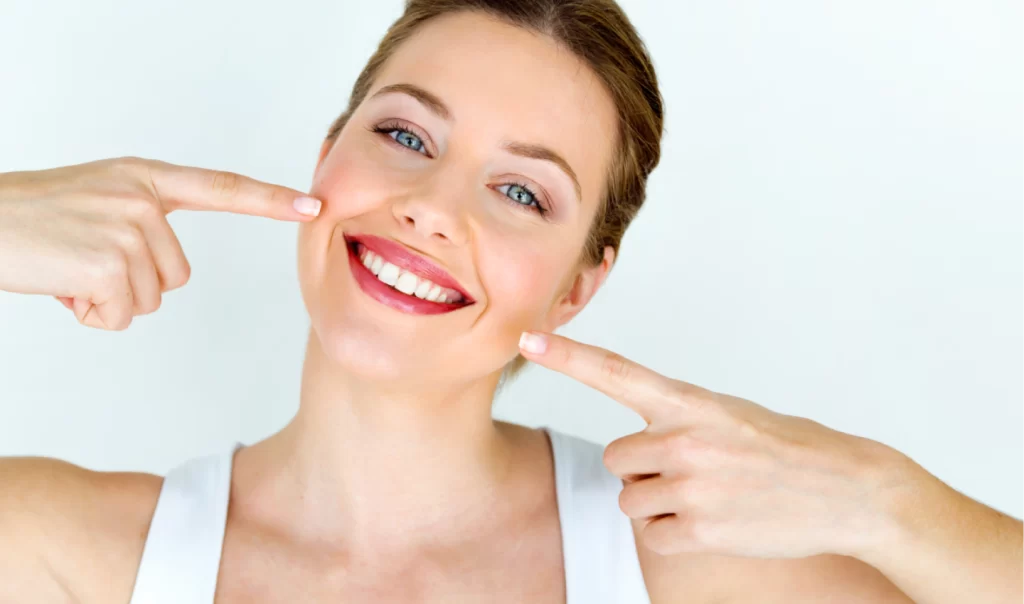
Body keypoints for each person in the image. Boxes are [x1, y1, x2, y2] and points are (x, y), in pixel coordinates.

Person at [1, 1, 1022, 602]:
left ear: (581, 282)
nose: (430, 208)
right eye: (406, 136)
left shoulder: (684, 568)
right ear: (328, 154)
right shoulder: (68, 551)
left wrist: (886, 501)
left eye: (521, 191)